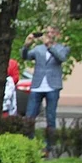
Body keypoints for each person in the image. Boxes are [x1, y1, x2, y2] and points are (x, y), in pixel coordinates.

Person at [22, 26, 70, 155]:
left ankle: (49, 147)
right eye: (47, 32)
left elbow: (61, 58)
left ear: (57, 35)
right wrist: (26, 45)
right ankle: (30, 144)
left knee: (50, 116)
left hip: (52, 87)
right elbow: (25, 57)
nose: (49, 34)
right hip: (37, 85)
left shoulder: (62, 48)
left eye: (52, 32)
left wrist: (49, 46)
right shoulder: (38, 49)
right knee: (29, 116)